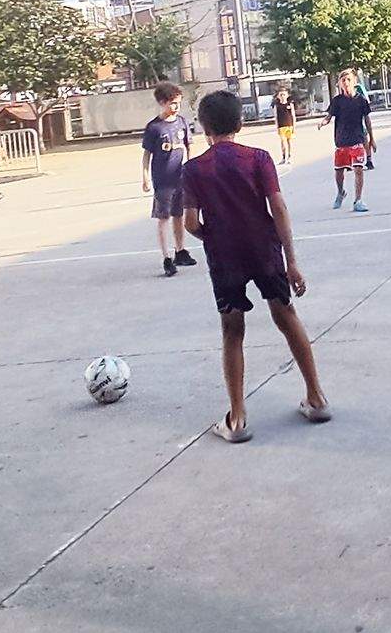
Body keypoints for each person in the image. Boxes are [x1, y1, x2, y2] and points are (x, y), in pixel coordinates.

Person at [181, 89, 329, 443]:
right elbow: (278, 209)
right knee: (286, 315)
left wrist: (214, 238)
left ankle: (238, 419)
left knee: (233, 332)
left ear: (203, 127)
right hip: (265, 251)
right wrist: (291, 261)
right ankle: (316, 397)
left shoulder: (194, 170)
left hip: (225, 258)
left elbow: (189, 223)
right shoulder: (259, 158)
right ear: (241, 123)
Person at [140, 83, 196, 277]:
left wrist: (191, 168)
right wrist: (145, 177)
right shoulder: (154, 127)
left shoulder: (181, 122)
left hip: (180, 178)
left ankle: (180, 250)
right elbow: (146, 155)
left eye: (178, 103)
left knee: (179, 215)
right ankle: (166, 257)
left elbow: (189, 147)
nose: (176, 107)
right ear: (162, 103)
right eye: (172, 103)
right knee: (164, 218)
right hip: (163, 181)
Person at [327, 69, 375, 213]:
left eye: (348, 80)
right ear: (340, 84)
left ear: (354, 82)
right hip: (341, 141)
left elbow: (367, 120)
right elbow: (329, 116)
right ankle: (341, 192)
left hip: (357, 140)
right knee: (339, 172)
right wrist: (323, 122)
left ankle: (358, 200)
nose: (346, 83)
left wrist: (372, 139)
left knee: (359, 169)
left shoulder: (361, 100)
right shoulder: (337, 101)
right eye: (343, 80)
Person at [271, 87, 297, 165]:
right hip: (281, 126)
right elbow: (276, 117)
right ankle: (283, 157)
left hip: (289, 125)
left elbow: (293, 116)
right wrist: (277, 127)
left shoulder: (290, 104)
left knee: (289, 142)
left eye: (284, 94)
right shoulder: (277, 106)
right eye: (281, 95)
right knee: (283, 142)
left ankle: (289, 157)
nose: (282, 96)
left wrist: (294, 127)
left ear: (287, 95)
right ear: (278, 96)